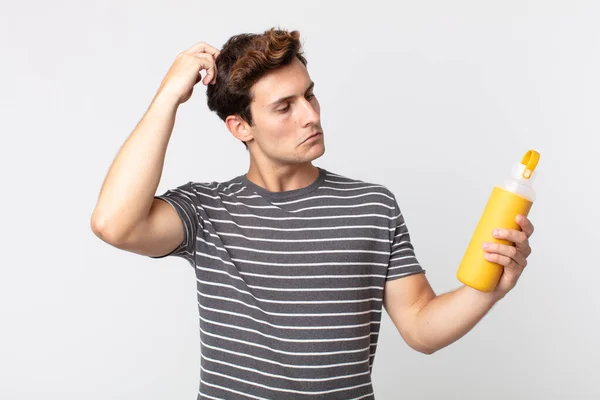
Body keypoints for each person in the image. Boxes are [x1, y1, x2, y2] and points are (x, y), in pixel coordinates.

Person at [91, 28, 536, 399]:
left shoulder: (371, 206)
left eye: (310, 95)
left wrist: (489, 290)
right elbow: (115, 224)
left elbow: (421, 327)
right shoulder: (207, 211)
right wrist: (170, 94)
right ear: (240, 126)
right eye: (284, 106)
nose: (310, 116)